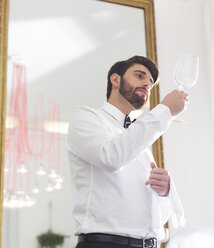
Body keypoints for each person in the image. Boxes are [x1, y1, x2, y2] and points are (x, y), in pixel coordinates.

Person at [67, 55, 187, 248]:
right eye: (139, 76)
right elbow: (111, 158)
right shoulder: (86, 118)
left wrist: (163, 190)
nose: (147, 84)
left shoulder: (137, 137)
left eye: (150, 83)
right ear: (115, 80)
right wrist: (164, 110)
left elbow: (149, 214)